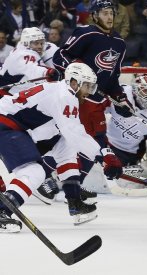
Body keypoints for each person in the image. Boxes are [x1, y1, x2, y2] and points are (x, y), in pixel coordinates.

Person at [0, 62, 123, 232]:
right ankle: (2, 210)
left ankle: (75, 202)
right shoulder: (66, 96)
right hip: (6, 125)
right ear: (74, 83)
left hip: (21, 127)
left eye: (91, 87)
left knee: (65, 145)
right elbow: (74, 132)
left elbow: (70, 135)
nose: (88, 92)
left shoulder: (61, 91)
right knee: (34, 172)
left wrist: (102, 154)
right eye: (86, 86)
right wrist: (102, 157)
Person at [51, 0, 128, 199]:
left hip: (96, 104)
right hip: (76, 98)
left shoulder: (119, 43)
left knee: (91, 143)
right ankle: (52, 183)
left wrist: (121, 99)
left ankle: (71, 187)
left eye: (111, 13)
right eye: (104, 13)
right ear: (94, 15)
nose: (109, 17)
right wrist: (75, 70)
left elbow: (112, 80)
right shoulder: (86, 33)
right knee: (83, 141)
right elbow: (60, 56)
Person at [106, 74, 147, 181]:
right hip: (107, 145)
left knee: (118, 179)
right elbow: (100, 106)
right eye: (144, 90)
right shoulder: (121, 94)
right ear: (134, 90)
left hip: (130, 152)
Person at [0, 27, 61, 94]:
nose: (40, 46)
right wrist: (46, 72)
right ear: (27, 43)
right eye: (36, 43)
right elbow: (31, 68)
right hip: (6, 94)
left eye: (41, 43)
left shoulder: (20, 49)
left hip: (11, 92)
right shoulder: (23, 54)